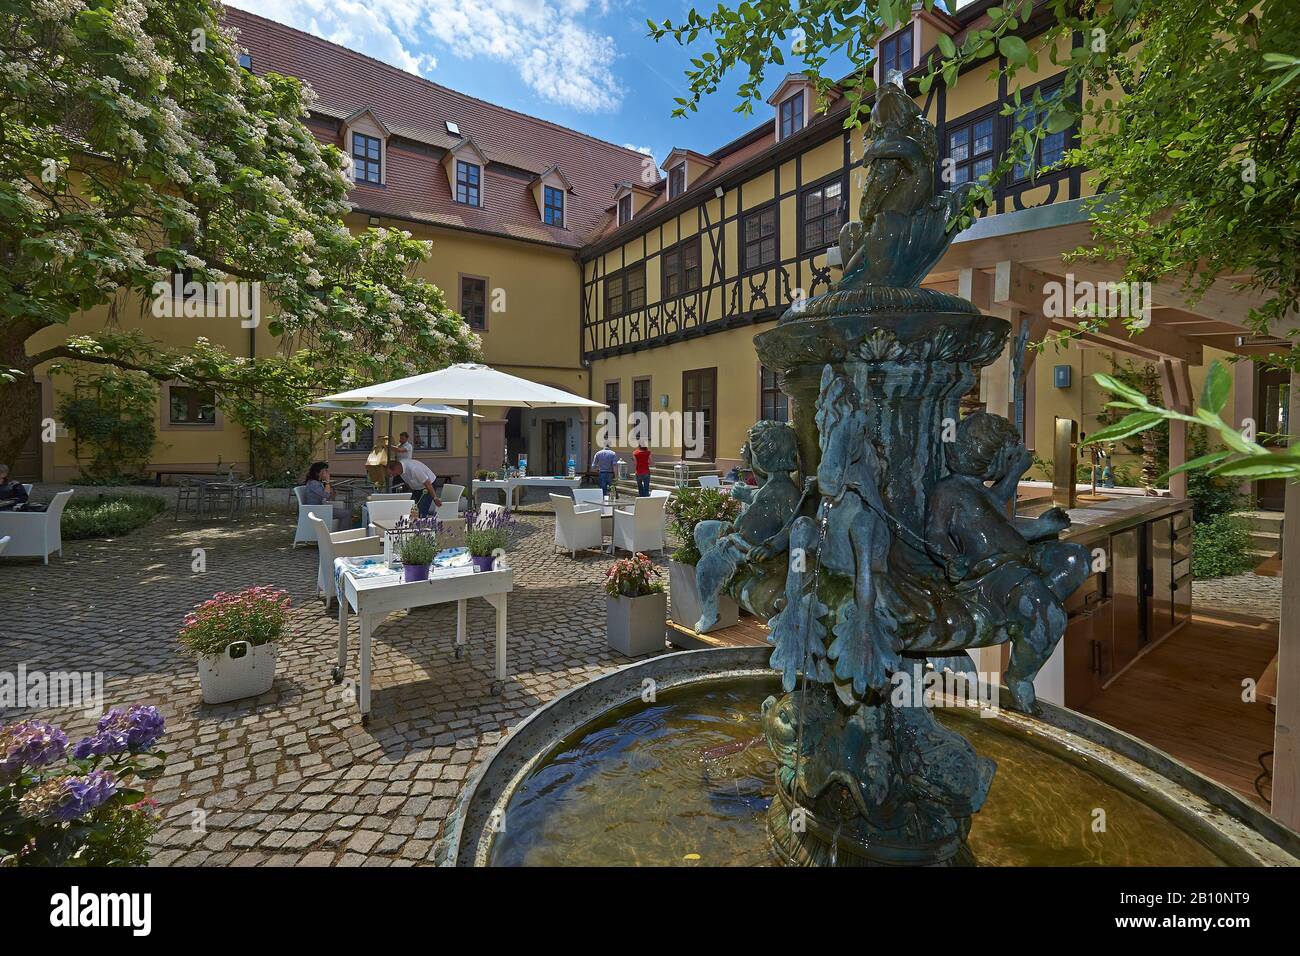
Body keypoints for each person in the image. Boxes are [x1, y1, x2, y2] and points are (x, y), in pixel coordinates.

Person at [301, 462, 352, 529]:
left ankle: (341, 533)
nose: (327, 473)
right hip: (316, 510)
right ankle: (342, 536)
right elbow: (327, 495)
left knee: (346, 512)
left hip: (320, 508)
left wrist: (331, 491)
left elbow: (330, 497)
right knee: (346, 513)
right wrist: (328, 481)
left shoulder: (317, 483)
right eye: (325, 470)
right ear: (318, 472)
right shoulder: (313, 483)